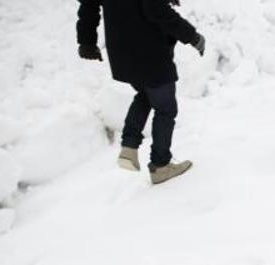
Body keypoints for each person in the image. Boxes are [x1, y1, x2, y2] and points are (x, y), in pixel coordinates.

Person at [76, 0, 205, 185]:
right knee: (165, 107)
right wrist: (192, 36)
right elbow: (156, 10)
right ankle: (161, 165)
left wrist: (86, 42)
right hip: (148, 48)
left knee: (146, 93)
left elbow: (89, 5)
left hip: (121, 50)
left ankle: (129, 147)